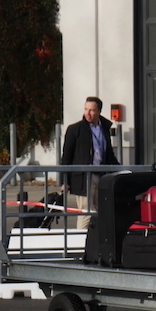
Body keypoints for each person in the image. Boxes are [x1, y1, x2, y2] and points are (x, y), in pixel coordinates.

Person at [61, 97, 119, 228]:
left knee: (99, 211)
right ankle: (80, 238)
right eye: (86, 109)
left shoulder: (104, 128)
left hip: (101, 175)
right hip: (84, 177)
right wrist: (65, 181)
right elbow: (66, 157)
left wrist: (120, 170)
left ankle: (95, 239)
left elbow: (109, 154)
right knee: (86, 212)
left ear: (99, 111)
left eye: (92, 110)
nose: (88, 113)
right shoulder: (75, 129)